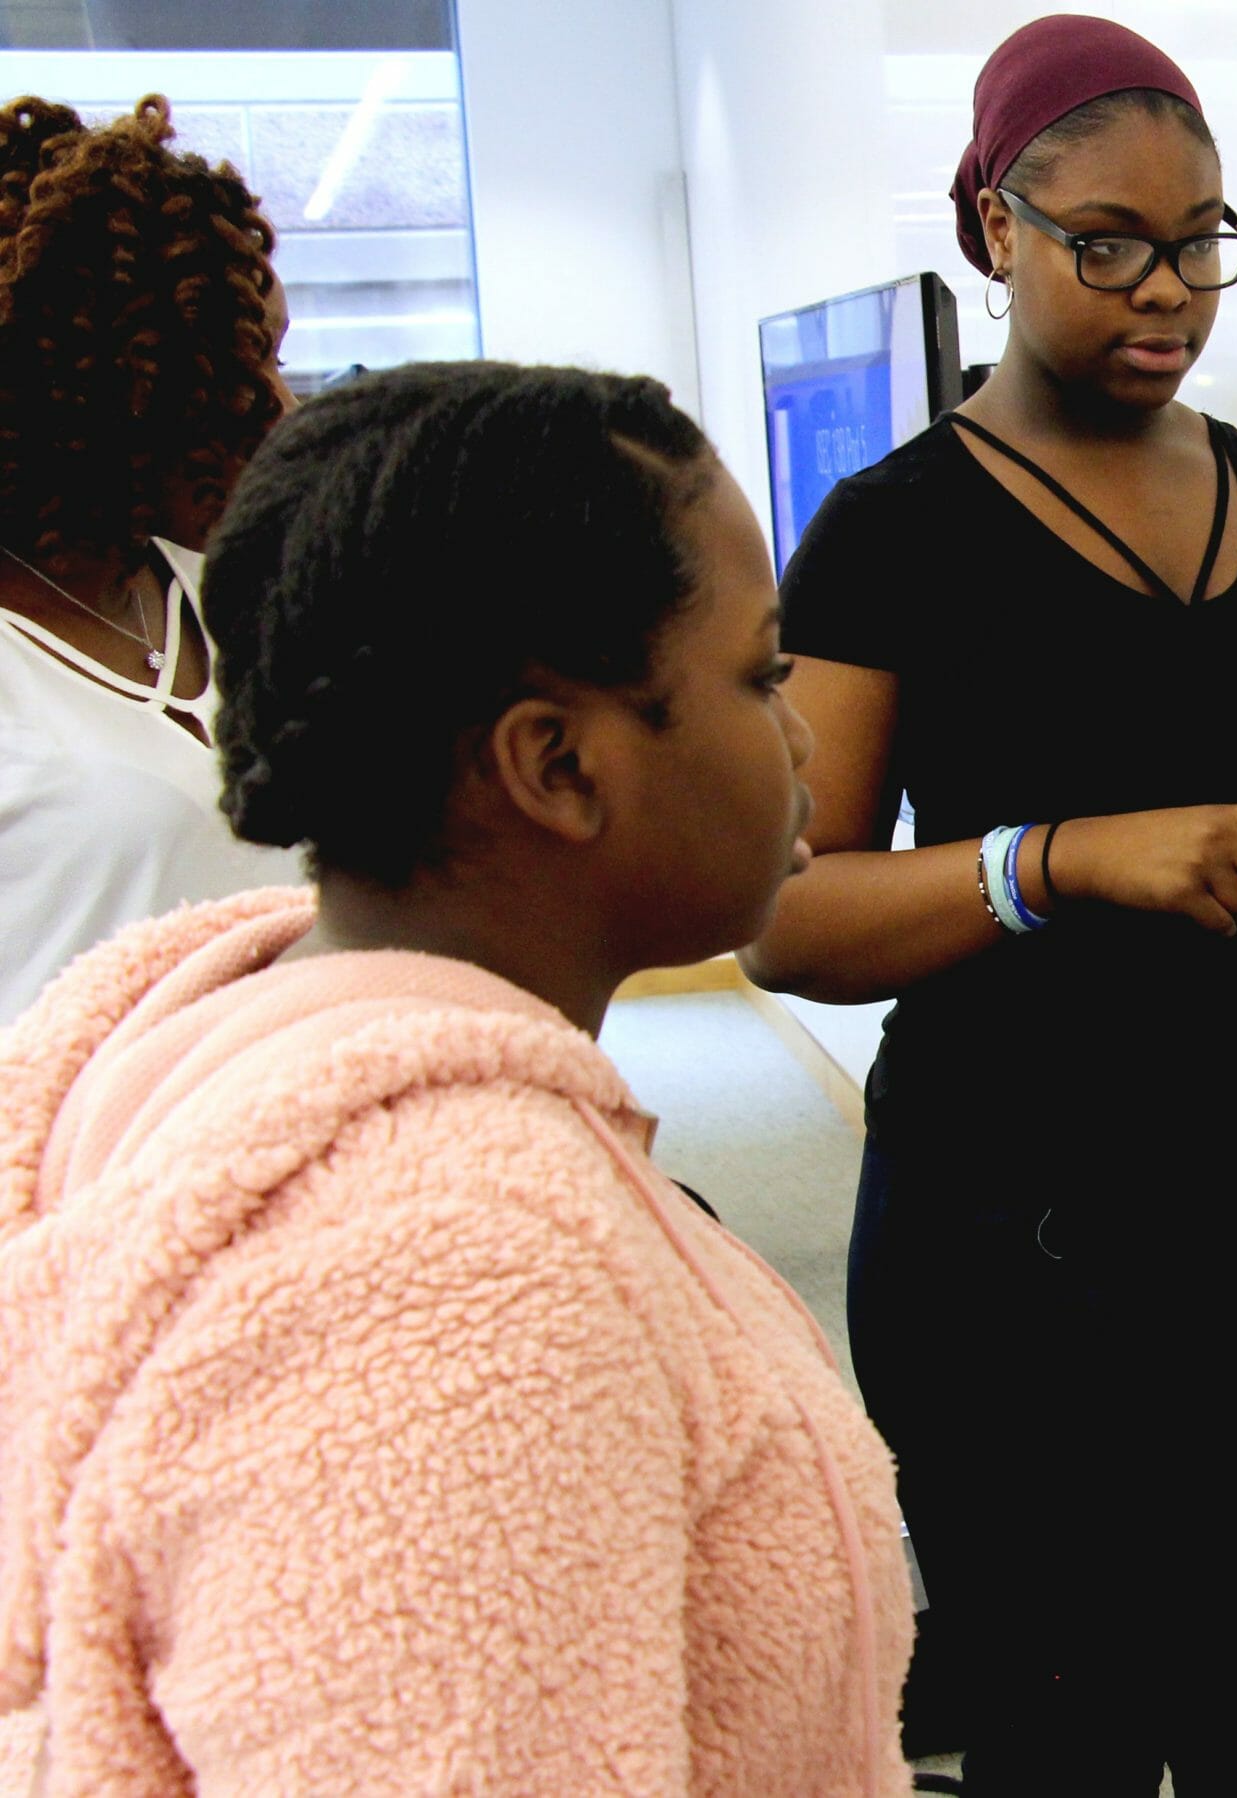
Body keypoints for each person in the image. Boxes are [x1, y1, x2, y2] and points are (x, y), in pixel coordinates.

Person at [0, 362, 914, 1796]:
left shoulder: (246, 1049)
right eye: (756, 674)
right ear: (555, 763)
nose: (798, 734)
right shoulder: (452, 1272)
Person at [739, 16, 1237, 1790]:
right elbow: (781, 913)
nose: (1170, 287)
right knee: (1067, 1725)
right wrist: (1051, 860)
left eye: (1200, 239)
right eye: (1106, 241)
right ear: (993, 227)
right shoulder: (893, 534)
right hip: (1014, 1248)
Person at [0, 95, 298, 1019]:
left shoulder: (241, 595)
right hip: (66, 1150)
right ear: (113, 391)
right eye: (252, 364)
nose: (282, 407)